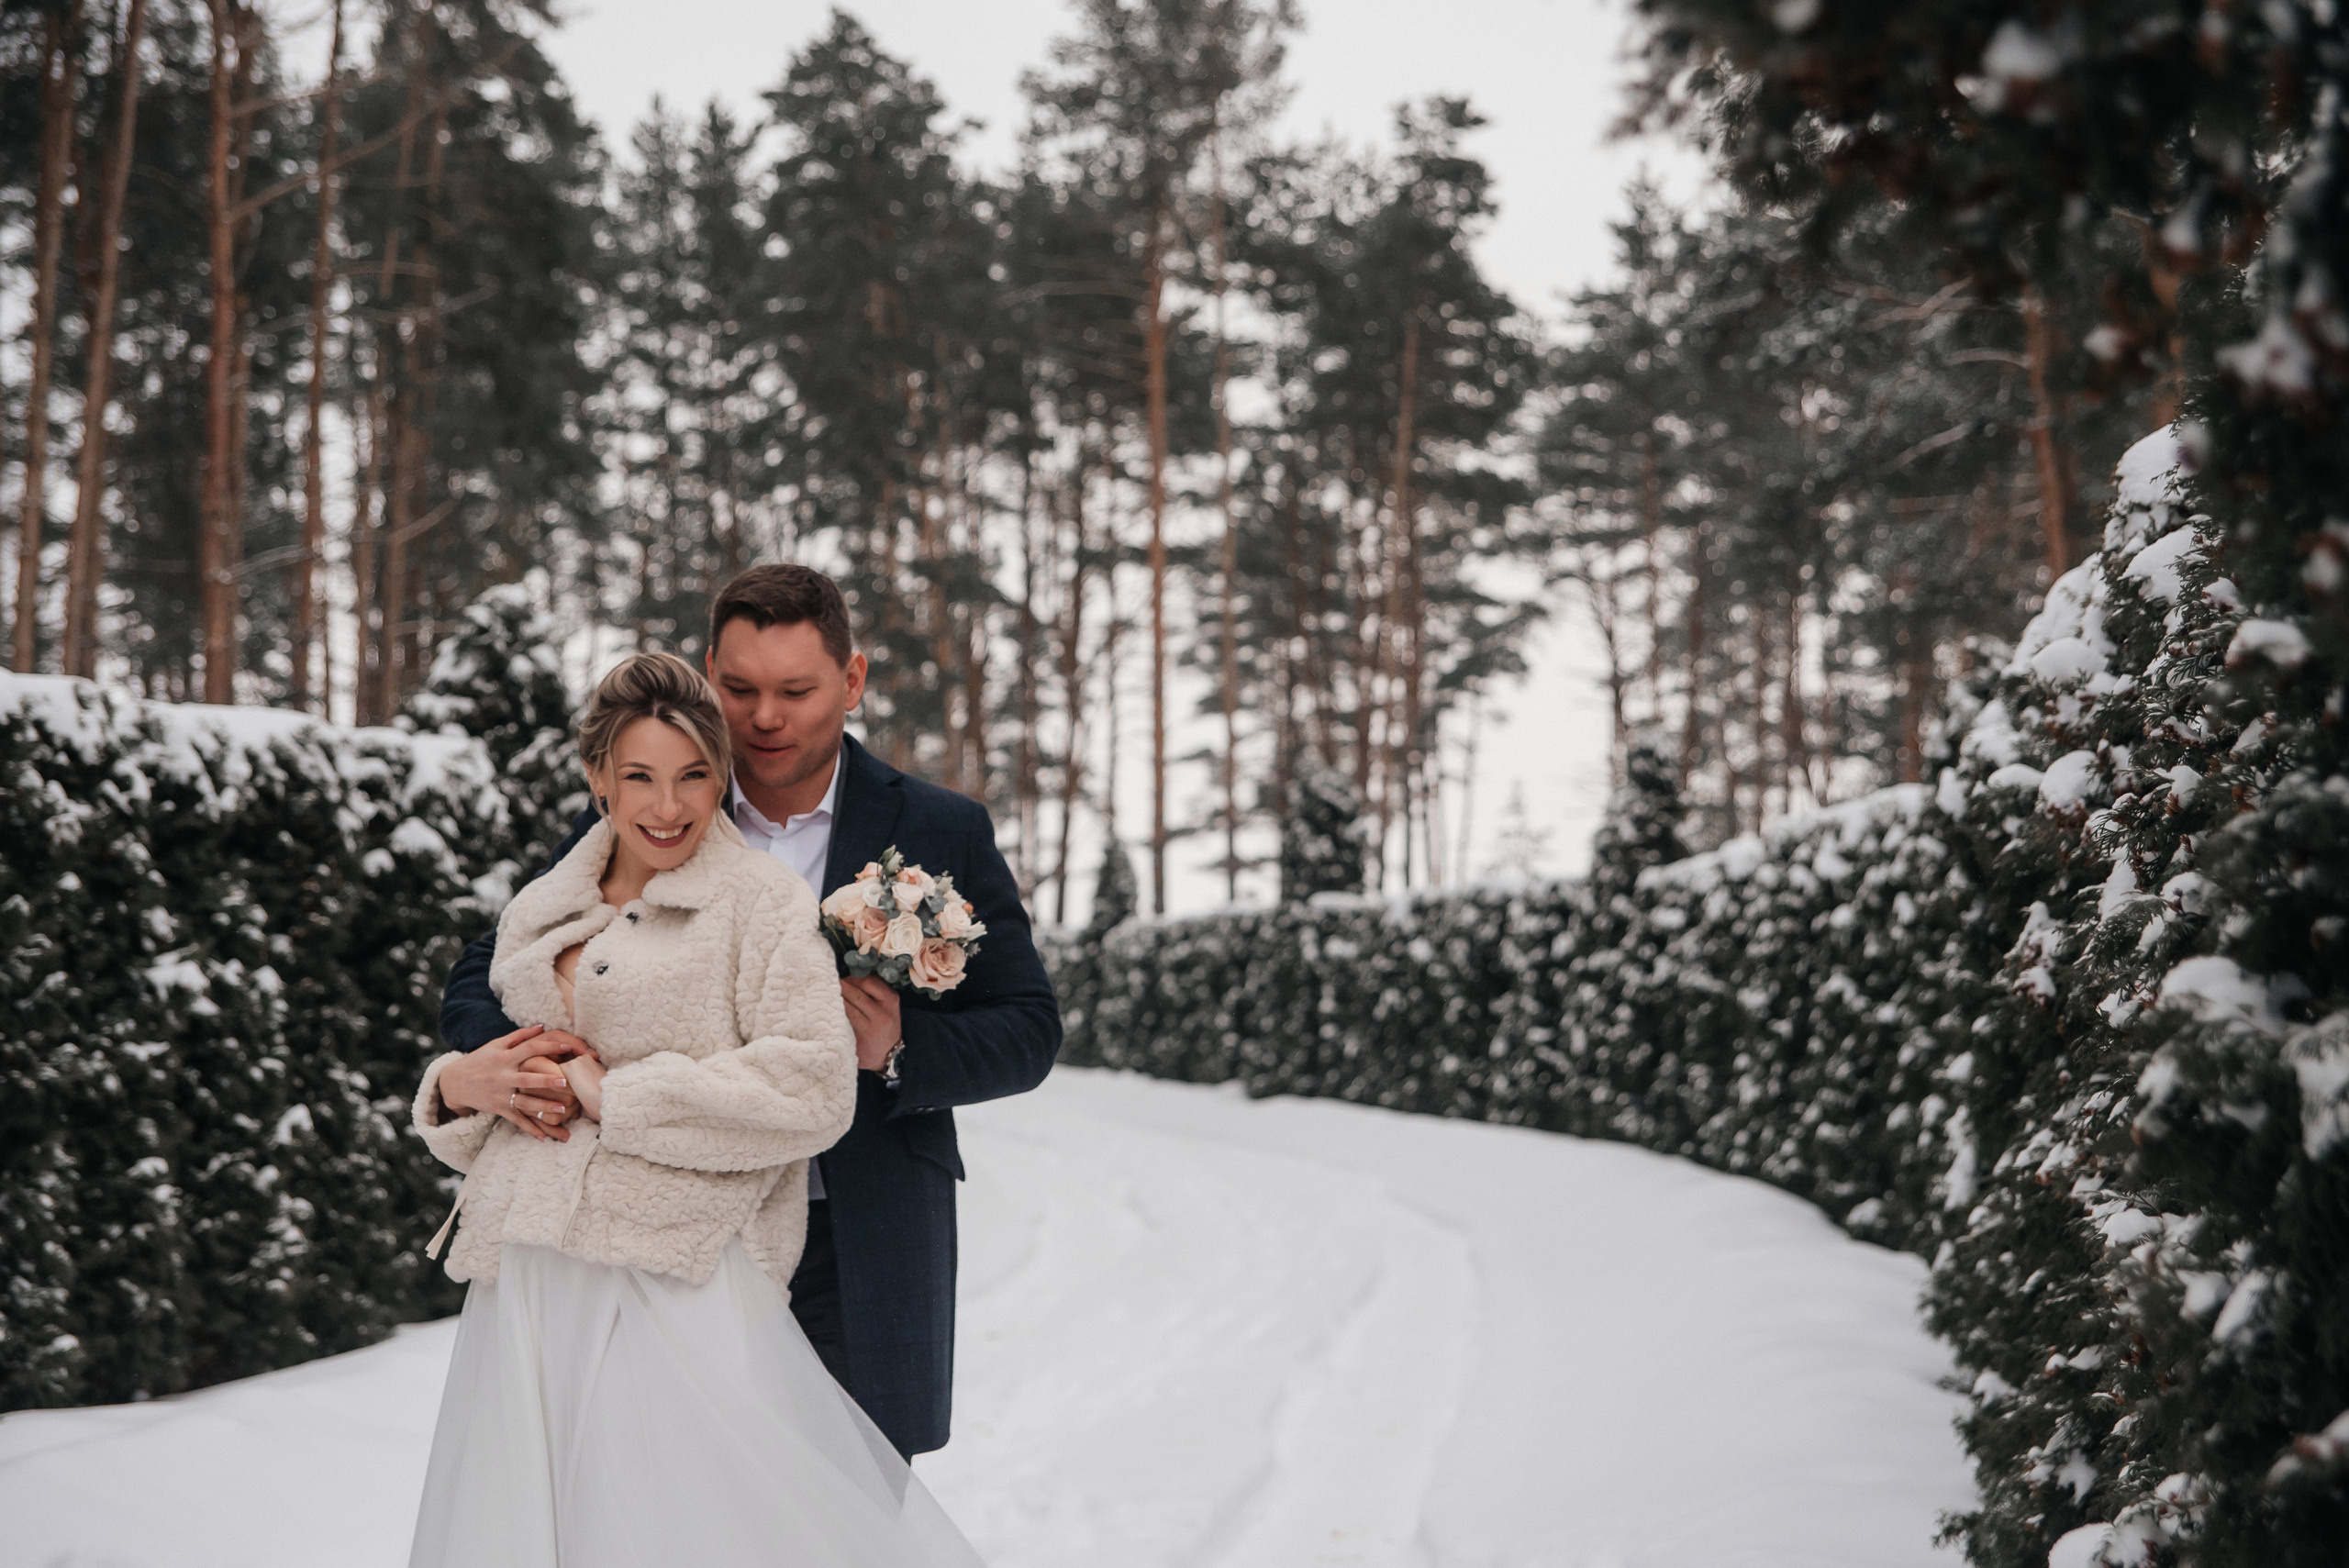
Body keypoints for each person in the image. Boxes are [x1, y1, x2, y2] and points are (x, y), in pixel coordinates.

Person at [436, 564, 1063, 1462]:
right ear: (707, 674)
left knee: (846, 1519)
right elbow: (493, 960)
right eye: (739, 687)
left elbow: (1028, 1025)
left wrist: (899, 1043)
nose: (765, 716)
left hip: (862, 1237)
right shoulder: (649, 805)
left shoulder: (940, 828)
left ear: (852, 681)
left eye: (796, 690)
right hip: (666, 1233)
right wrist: (494, 1055)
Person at [409, 651, 985, 1565]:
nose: (666, 806)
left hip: (675, 1272)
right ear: (596, 775)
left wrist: (618, 1092)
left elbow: (812, 1090)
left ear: (721, 778)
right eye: (638, 775)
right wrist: (455, 1085)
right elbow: (506, 1063)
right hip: (525, 1283)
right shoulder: (544, 900)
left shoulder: (761, 903)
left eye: (692, 777)